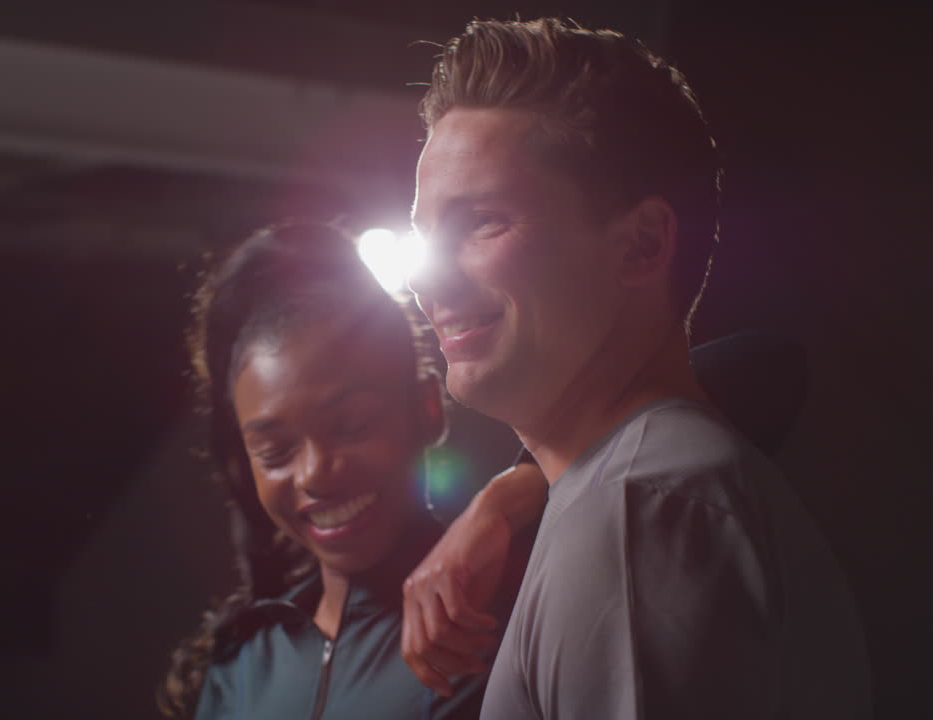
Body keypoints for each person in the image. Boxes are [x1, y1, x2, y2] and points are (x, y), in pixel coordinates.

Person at [405, 17, 872, 719]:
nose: (427, 278)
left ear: (643, 244)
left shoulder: (635, 510)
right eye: (425, 234)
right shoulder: (639, 489)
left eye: (482, 221)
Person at [157, 221, 542, 720]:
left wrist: (510, 496)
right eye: (274, 452)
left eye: (351, 425)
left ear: (428, 408)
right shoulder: (239, 664)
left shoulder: (502, 616)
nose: (315, 473)